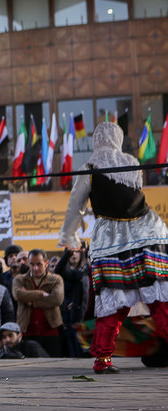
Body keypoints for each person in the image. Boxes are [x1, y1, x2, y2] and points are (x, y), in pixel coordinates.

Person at [59, 122, 168, 374]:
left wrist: (68, 236)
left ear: (96, 140)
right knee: (160, 300)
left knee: (113, 303)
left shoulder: (88, 168)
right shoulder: (131, 162)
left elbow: (76, 206)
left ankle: (103, 360)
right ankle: (104, 359)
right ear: (118, 139)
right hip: (150, 233)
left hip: (113, 239)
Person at [12, 249, 64, 357]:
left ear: (46, 263)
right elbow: (18, 295)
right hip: (27, 331)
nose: (35, 268)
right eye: (32, 264)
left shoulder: (55, 279)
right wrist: (41, 294)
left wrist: (31, 301)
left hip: (50, 330)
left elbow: (57, 299)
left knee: (53, 363)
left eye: (39, 264)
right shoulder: (20, 279)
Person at [53, 246, 90, 357]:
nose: (74, 255)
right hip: (73, 318)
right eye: (72, 253)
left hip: (89, 317)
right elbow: (58, 271)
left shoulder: (87, 271)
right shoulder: (70, 273)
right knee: (75, 351)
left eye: (77, 252)